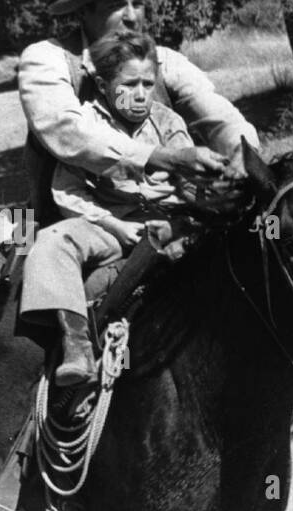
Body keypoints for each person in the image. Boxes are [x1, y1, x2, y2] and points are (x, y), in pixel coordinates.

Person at [0, 0, 269, 511]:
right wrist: (156, 160)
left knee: (245, 305)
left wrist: (249, 163)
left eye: (140, 2)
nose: (134, 13)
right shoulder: (49, 62)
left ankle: (239, 499)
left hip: (164, 223)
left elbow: (219, 116)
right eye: (122, 3)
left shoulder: (164, 62)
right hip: (72, 228)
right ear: (88, 12)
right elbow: (64, 130)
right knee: (23, 342)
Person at [22, 30, 194, 385]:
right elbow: (67, 191)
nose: (141, 94)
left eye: (149, 83)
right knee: (53, 240)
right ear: (102, 84)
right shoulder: (88, 126)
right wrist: (115, 225)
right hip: (109, 224)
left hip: (165, 224)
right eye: (129, 84)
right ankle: (76, 344)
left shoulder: (168, 123)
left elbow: (191, 183)